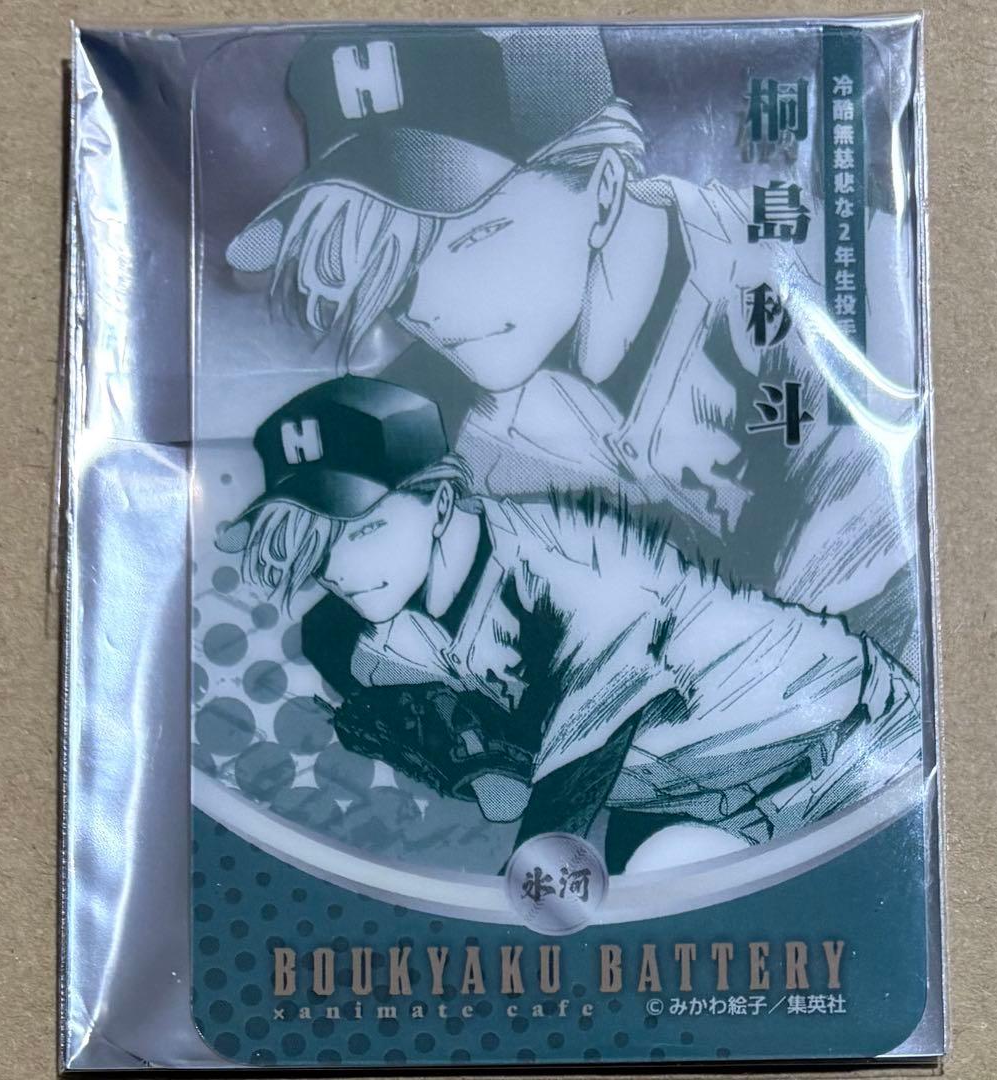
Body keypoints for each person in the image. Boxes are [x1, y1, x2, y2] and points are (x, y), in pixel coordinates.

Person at [225, 26, 921, 650]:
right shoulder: (439, 418)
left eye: (469, 238)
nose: (422, 309)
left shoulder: (835, 283)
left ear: (604, 185)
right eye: (391, 271)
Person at [219, 376, 921, 873]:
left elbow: (562, 813)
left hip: (849, 746)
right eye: (315, 544)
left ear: (440, 501)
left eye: (362, 528)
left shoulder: (568, 568)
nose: (337, 568)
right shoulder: (361, 629)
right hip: (687, 802)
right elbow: (341, 650)